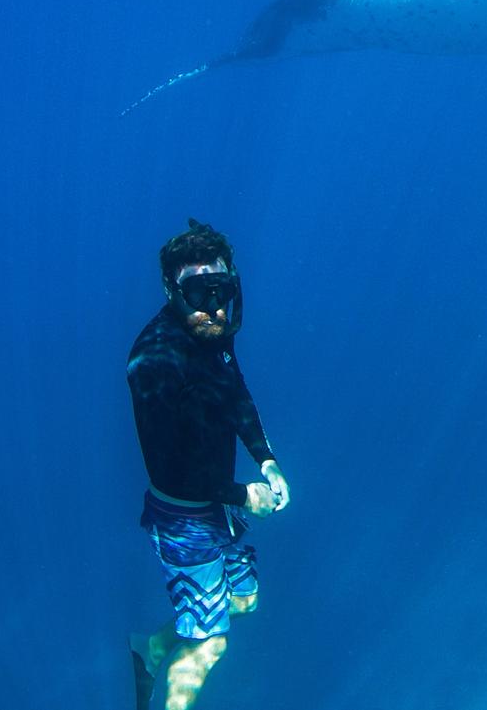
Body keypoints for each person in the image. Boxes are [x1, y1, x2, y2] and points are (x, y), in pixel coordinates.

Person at [127, 219, 290, 710]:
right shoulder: (153, 363)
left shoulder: (213, 329)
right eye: (198, 290)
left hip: (220, 503)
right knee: (210, 643)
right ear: (171, 289)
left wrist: (267, 460)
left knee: (244, 601)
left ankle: (150, 650)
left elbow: (234, 391)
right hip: (183, 516)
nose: (213, 305)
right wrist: (243, 495)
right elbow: (170, 469)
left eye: (222, 289)